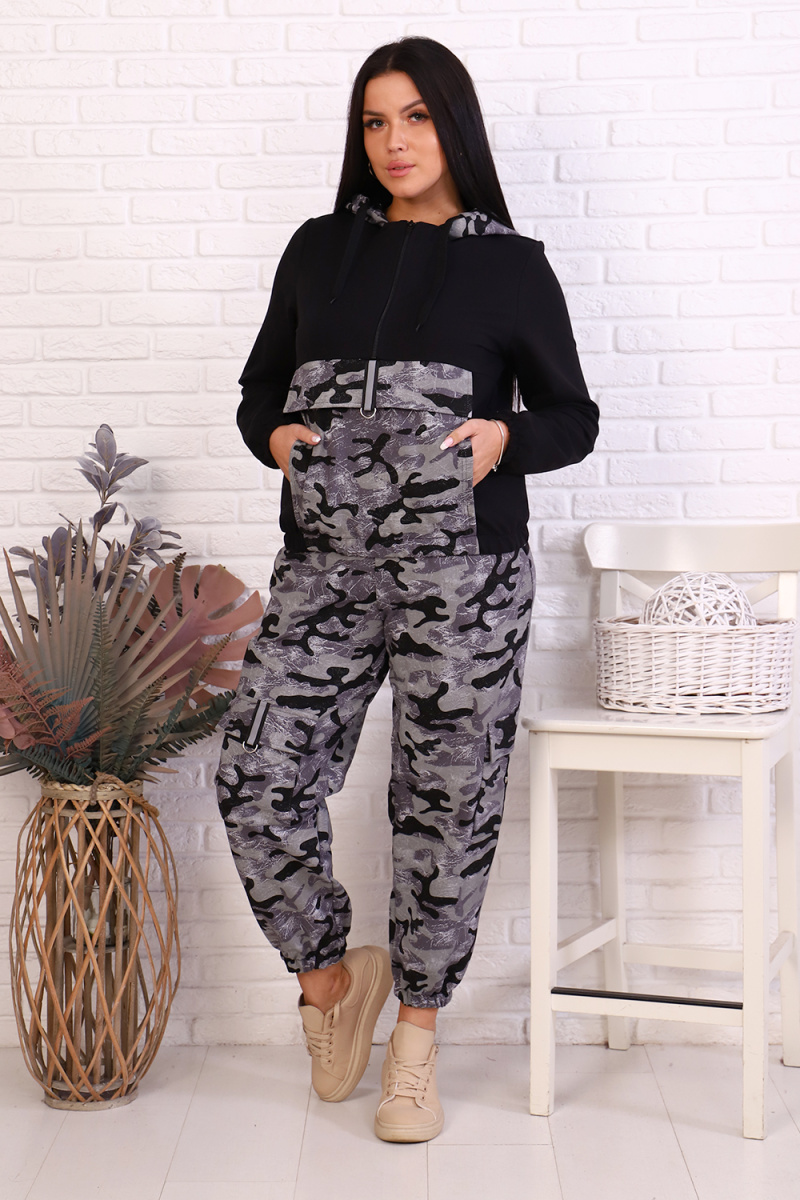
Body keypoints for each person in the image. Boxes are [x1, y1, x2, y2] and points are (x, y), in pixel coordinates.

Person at [216, 36, 598, 1143]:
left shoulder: (511, 265)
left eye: (417, 118)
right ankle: (333, 985)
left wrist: (503, 438)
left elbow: (572, 418)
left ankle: (417, 1043)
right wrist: (275, 435)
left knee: (445, 805)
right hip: (322, 571)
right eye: (376, 121)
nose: (394, 142)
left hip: (464, 578)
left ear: (454, 127)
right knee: (256, 776)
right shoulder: (317, 250)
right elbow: (258, 392)